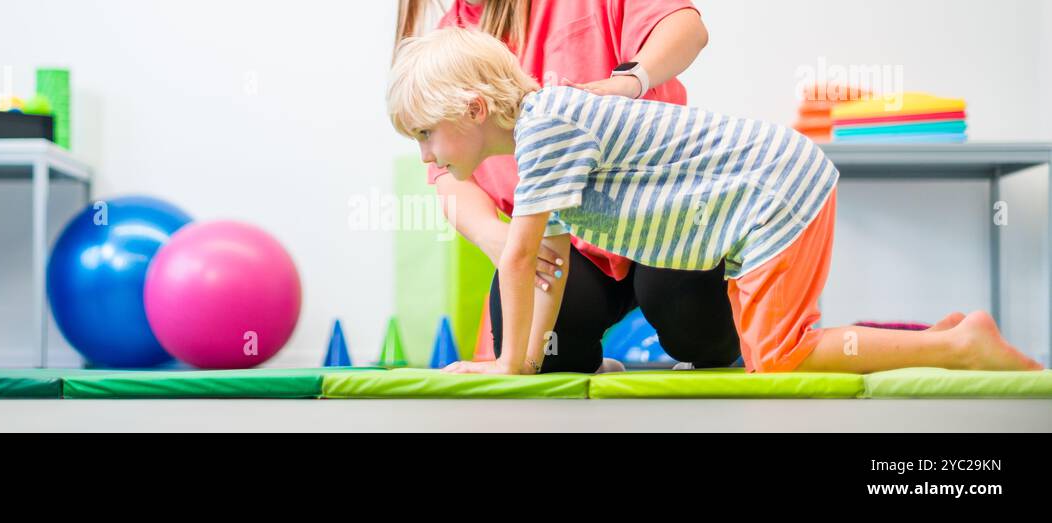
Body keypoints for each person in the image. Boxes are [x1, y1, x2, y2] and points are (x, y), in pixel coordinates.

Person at [387, 28, 1043, 374]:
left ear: (474, 109)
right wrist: (527, 363)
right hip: (766, 189)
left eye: (425, 133)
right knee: (778, 353)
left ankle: (960, 344)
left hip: (775, 188)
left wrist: (504, 368)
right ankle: (948, 337)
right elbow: (550, 266)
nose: (425, 156)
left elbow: (521, 256)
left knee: (780, 361)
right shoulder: (543, 140)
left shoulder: (546, 125)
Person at [395, 0, 740, 372]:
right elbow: (449, 177)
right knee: (544, 351)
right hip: (573, 238)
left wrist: (627, 81)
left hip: (656, 215)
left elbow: (686, 28)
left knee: (687, 316)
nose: (425, 156)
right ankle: (585, 360)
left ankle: (724, 340)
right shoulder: (447, 47)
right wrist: (495, 237)